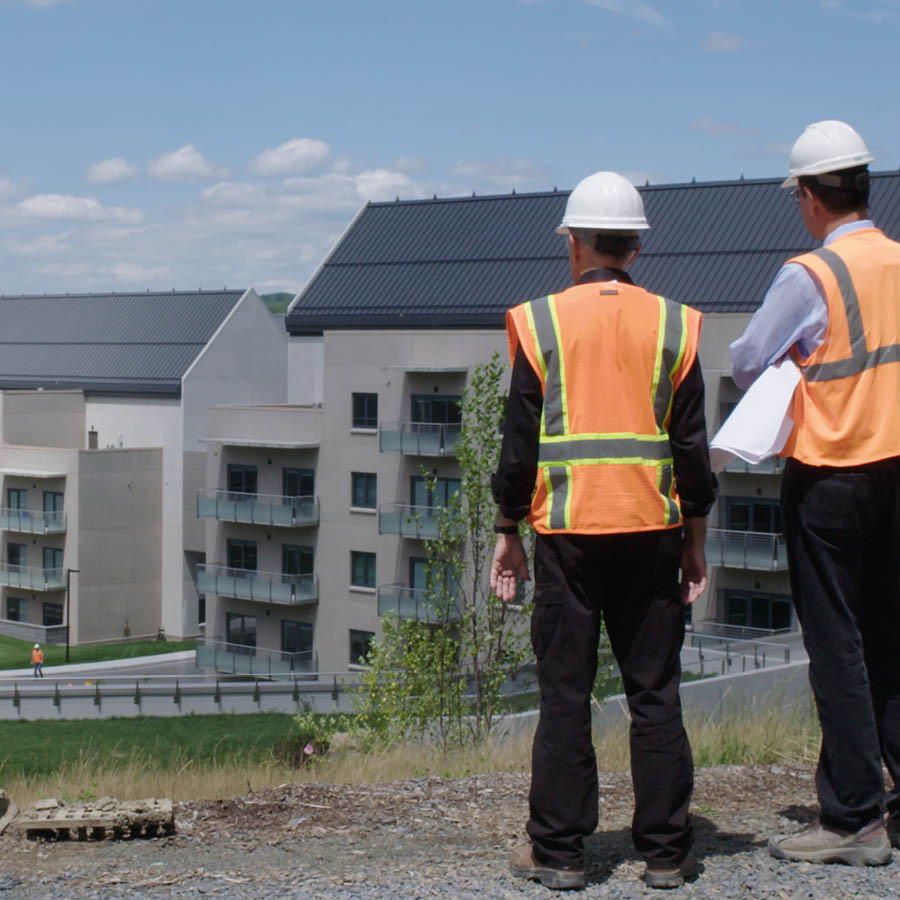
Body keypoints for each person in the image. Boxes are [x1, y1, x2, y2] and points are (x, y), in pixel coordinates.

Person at [491, 171, 717, 891]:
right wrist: (695, 539)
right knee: (655, 692)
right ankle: (666, 853)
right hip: (652, 531)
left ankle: (558, 852)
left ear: (574, 244)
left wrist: (506, 527)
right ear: (636, 248)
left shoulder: (540, 323)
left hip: (566, 535)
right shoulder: (676, 325)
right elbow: (691, 449)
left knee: (566, 693)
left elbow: (519, 443)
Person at [731, 120, 898, 866]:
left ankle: (854, 815)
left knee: (838, 644)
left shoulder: (811, 274)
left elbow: (747, 361)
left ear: (809, 196)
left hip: (833, 473)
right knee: (892, 637)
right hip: (897, 465)